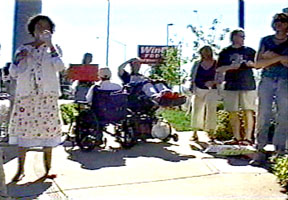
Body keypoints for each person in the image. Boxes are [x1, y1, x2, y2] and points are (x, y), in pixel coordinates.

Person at [8, 15, 65, 181]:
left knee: (48, 132)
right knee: (23, 134)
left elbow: (60, 67)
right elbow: (14, 73)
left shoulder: (53, 48)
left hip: (47, 96)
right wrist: (19, 59)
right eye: (38, 26)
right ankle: (20, 170)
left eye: (45, 27)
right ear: (32, 29)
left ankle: (48, 169)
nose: (41, 29)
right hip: (27, 96)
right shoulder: (23, 48)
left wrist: (51, 45)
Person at [250, 13, 288, 165]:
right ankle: (260, 150)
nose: (279, 23)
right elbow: (258, 64)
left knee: (283, 115)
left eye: (283, 20)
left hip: (285, 81)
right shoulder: (265, 40)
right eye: (276, 20)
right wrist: (280, 59)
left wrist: (272, 57)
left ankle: (280, 151)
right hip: (266, 79)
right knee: (263, 114)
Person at [216, 29, 256, 145]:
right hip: (231, 85)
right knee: (232, 111)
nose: (243, 38)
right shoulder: (225, 52)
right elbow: (219, 69)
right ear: (233, 37)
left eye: (244, 36)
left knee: (247, 110)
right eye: (241, 36)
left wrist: (250, 64)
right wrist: (232, 67)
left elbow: (258, 65)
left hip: (247, 85)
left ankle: (248, 138)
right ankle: (237, 137)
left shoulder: (250, 51)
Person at [190, 45, 219, 140]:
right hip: (198, 89)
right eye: (204, 52)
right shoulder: (197, 63)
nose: (206, 54)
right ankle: (195, 132)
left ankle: (211, 132)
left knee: (211, 110)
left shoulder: (216, 63)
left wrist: (213, 82)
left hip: (212, 90)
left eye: (207, 52)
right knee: (197, 110)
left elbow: (220, 77)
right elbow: (192, 77)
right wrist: (192, 87)